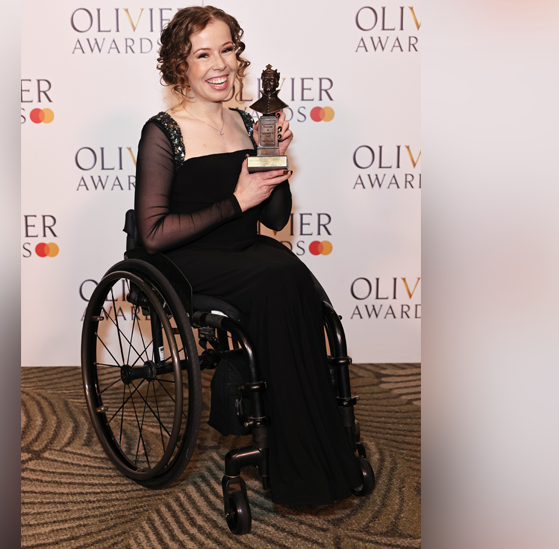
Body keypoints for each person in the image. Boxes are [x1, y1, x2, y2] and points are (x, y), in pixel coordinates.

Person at [134, 5, 361, 506]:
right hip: (184, 258)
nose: (220, 64)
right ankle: (294, 458)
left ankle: (315, 444)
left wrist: (276, 157)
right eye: (203, 54)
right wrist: (235, 201)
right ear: (181, 66)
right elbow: (152, 234)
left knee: (293, 276)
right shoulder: (163, 131)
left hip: (245, 251)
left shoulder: (248, 122)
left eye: (228, 49)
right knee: (277, 280)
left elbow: (276, 218)